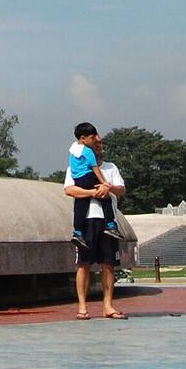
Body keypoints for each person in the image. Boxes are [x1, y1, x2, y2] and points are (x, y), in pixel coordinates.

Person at [64, 133, 127, 320]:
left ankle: (108, 305)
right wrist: (93, 192)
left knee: (108, 264)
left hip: (108, 222)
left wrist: (108, 188)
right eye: (95, 142)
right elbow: (69, 189)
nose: (98, 146)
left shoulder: (110, 168)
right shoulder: (75, 167)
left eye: (100, 143)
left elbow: (121, 189)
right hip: (87, 220)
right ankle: (82, 307)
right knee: (83, 264)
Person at [67, 123, 115, 250]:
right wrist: (104, 183)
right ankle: (110, 224)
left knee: (80, 204)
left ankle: (77, 232)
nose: (95, 140)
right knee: (105, 197)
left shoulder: (73, 149)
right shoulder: (88, 151)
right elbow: (95, 168)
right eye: (93, 138)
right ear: (83, 138)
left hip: (78, 179)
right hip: (88, 177)